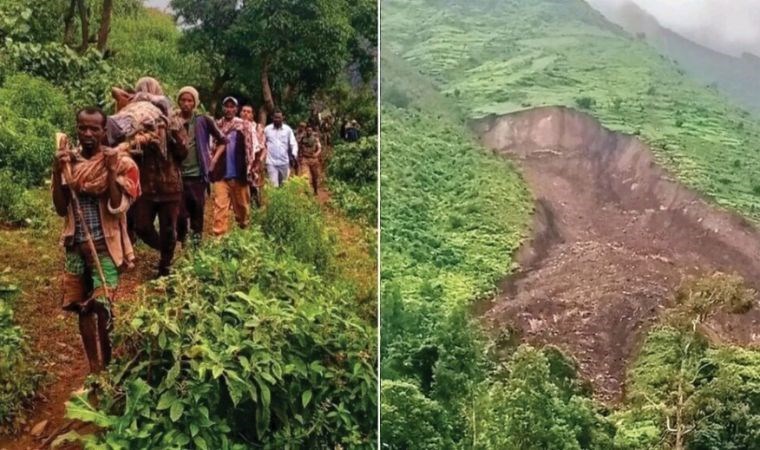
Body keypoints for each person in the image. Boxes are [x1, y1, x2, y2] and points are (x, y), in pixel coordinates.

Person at [53, 107, 141, 373]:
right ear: (77, 129)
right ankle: (95, 369)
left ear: (105, 131)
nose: (88, 133)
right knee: (82, 309)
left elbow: (118, 206)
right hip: (76, 247)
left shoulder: (120, 162)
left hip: (106, 247)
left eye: (94, 128)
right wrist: (58, 172)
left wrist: (112, 173)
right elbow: (59, 207)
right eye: (83, 128)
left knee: (103, 309)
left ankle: (110, 365)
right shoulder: (69, 164)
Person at [128, 77, 188, 277]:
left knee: (168, 228)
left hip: (169, 184)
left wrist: (169, 128)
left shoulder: (172, 120)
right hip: (145, 185)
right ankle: (167, 251)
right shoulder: (132, 120)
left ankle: (165, 266)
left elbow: (183, 151)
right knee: (142, 226)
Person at [174, 86, 227, 246]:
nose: (186, 104)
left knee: (197, 211)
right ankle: (181, 244)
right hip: (177, 176)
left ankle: (197, 246)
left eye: (190, 100)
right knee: (180, 215)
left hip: (198, 176)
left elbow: (223, 140)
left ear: (195, 103)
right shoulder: (172, 121)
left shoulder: (203, 120)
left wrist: (212, 161)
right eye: (183, 100)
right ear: (178, 102)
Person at [211, 96, 257, 235]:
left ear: (236, 109)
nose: (229, 109)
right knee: (220, 208)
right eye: (226, 106)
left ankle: (243, 235)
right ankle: (219, 240)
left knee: (242, 209)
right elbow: (211, 147)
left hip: (240, 174)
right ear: (222, 108)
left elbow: (252, 148)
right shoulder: (216, 126)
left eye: (232, 107)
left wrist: (252, 169)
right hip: (221, 174)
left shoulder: (244, 126)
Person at [264, 109, 298, 187]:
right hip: (271, 163)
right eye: (275, 117)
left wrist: (293, 155)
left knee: (284, 185)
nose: (277, 119)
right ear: (272, 118)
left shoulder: (288, 130)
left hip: (284, 162)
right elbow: (263, 143)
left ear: (283, 118)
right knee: (274, 186)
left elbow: (293, 143)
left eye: (279, 118)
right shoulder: (267, 129)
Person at [241, 104, 266, 208]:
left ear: (252, 115)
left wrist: (259, 161)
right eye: (244, 111)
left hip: (254, 164)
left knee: (254, 189)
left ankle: (256, 211)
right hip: (240, 163)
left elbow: (263, 147)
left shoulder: (257, 128)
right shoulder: (236, 125)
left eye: (248, 112)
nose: (246, 113)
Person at [298, 125, 323, 195]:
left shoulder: (315, 138)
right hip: (305, 159)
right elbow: (299, 148)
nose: (309, 132)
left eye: (310, 130)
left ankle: (315, 190)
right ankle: (306, 192)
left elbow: (319, 148)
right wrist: (299, 157)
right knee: (305, 176)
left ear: (312, 131)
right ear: (306, 131)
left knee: (315, 177)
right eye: (307, 130)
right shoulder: (302, 139)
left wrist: (317, 154)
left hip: (313, 159)